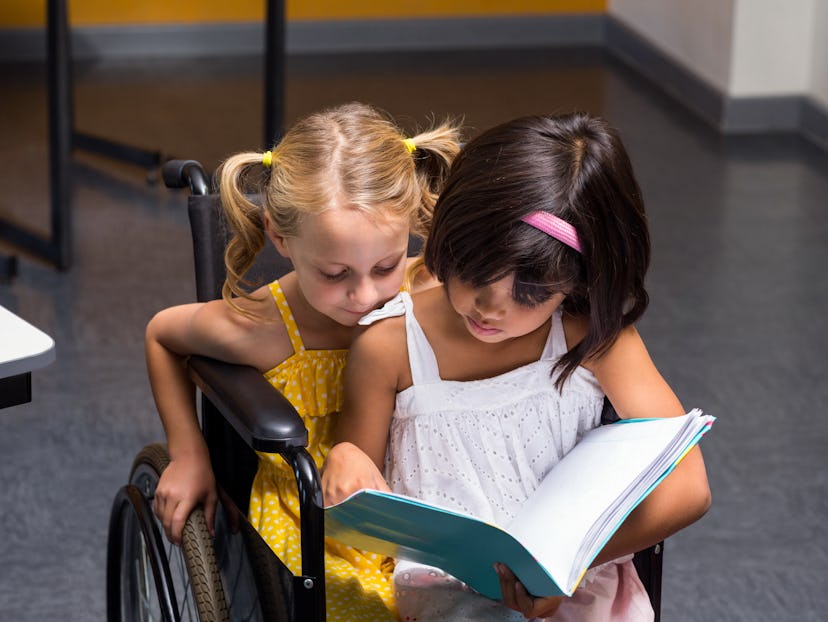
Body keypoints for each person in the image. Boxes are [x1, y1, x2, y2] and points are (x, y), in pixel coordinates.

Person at [322, 112, 712, 621]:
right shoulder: (391, 345)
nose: (491, 308)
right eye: (474, 274)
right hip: (449, 593)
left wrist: (566, 569)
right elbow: (358, 503)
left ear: (575, 282)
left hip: (579, 580)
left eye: (529, 292)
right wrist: (347, 456)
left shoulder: (590, 335)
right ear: (449, 240)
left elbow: (690, 487)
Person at [146, 101, 462, 621]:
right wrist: (188, 452)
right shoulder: (262, 326)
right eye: (335, 273)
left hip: (418, 494)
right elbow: (162, 335)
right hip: (314, 516)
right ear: (279, 238)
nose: (365, 295)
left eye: (385, 265)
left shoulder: (426, 284)